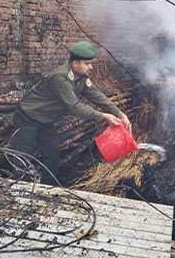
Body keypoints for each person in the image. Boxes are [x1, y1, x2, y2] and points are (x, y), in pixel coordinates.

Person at [13, 41, 131, 183]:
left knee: (52, 154)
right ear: (75, 64)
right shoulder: (61, 78)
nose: (91, 67)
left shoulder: (81, 78)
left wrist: (120, 114)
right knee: (23, 156)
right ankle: (18, 190)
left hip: (46, 121)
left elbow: (97, 96)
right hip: (28, 117)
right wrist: (104, 117)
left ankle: (48, 189)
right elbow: (74, 106)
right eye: (87, 63)